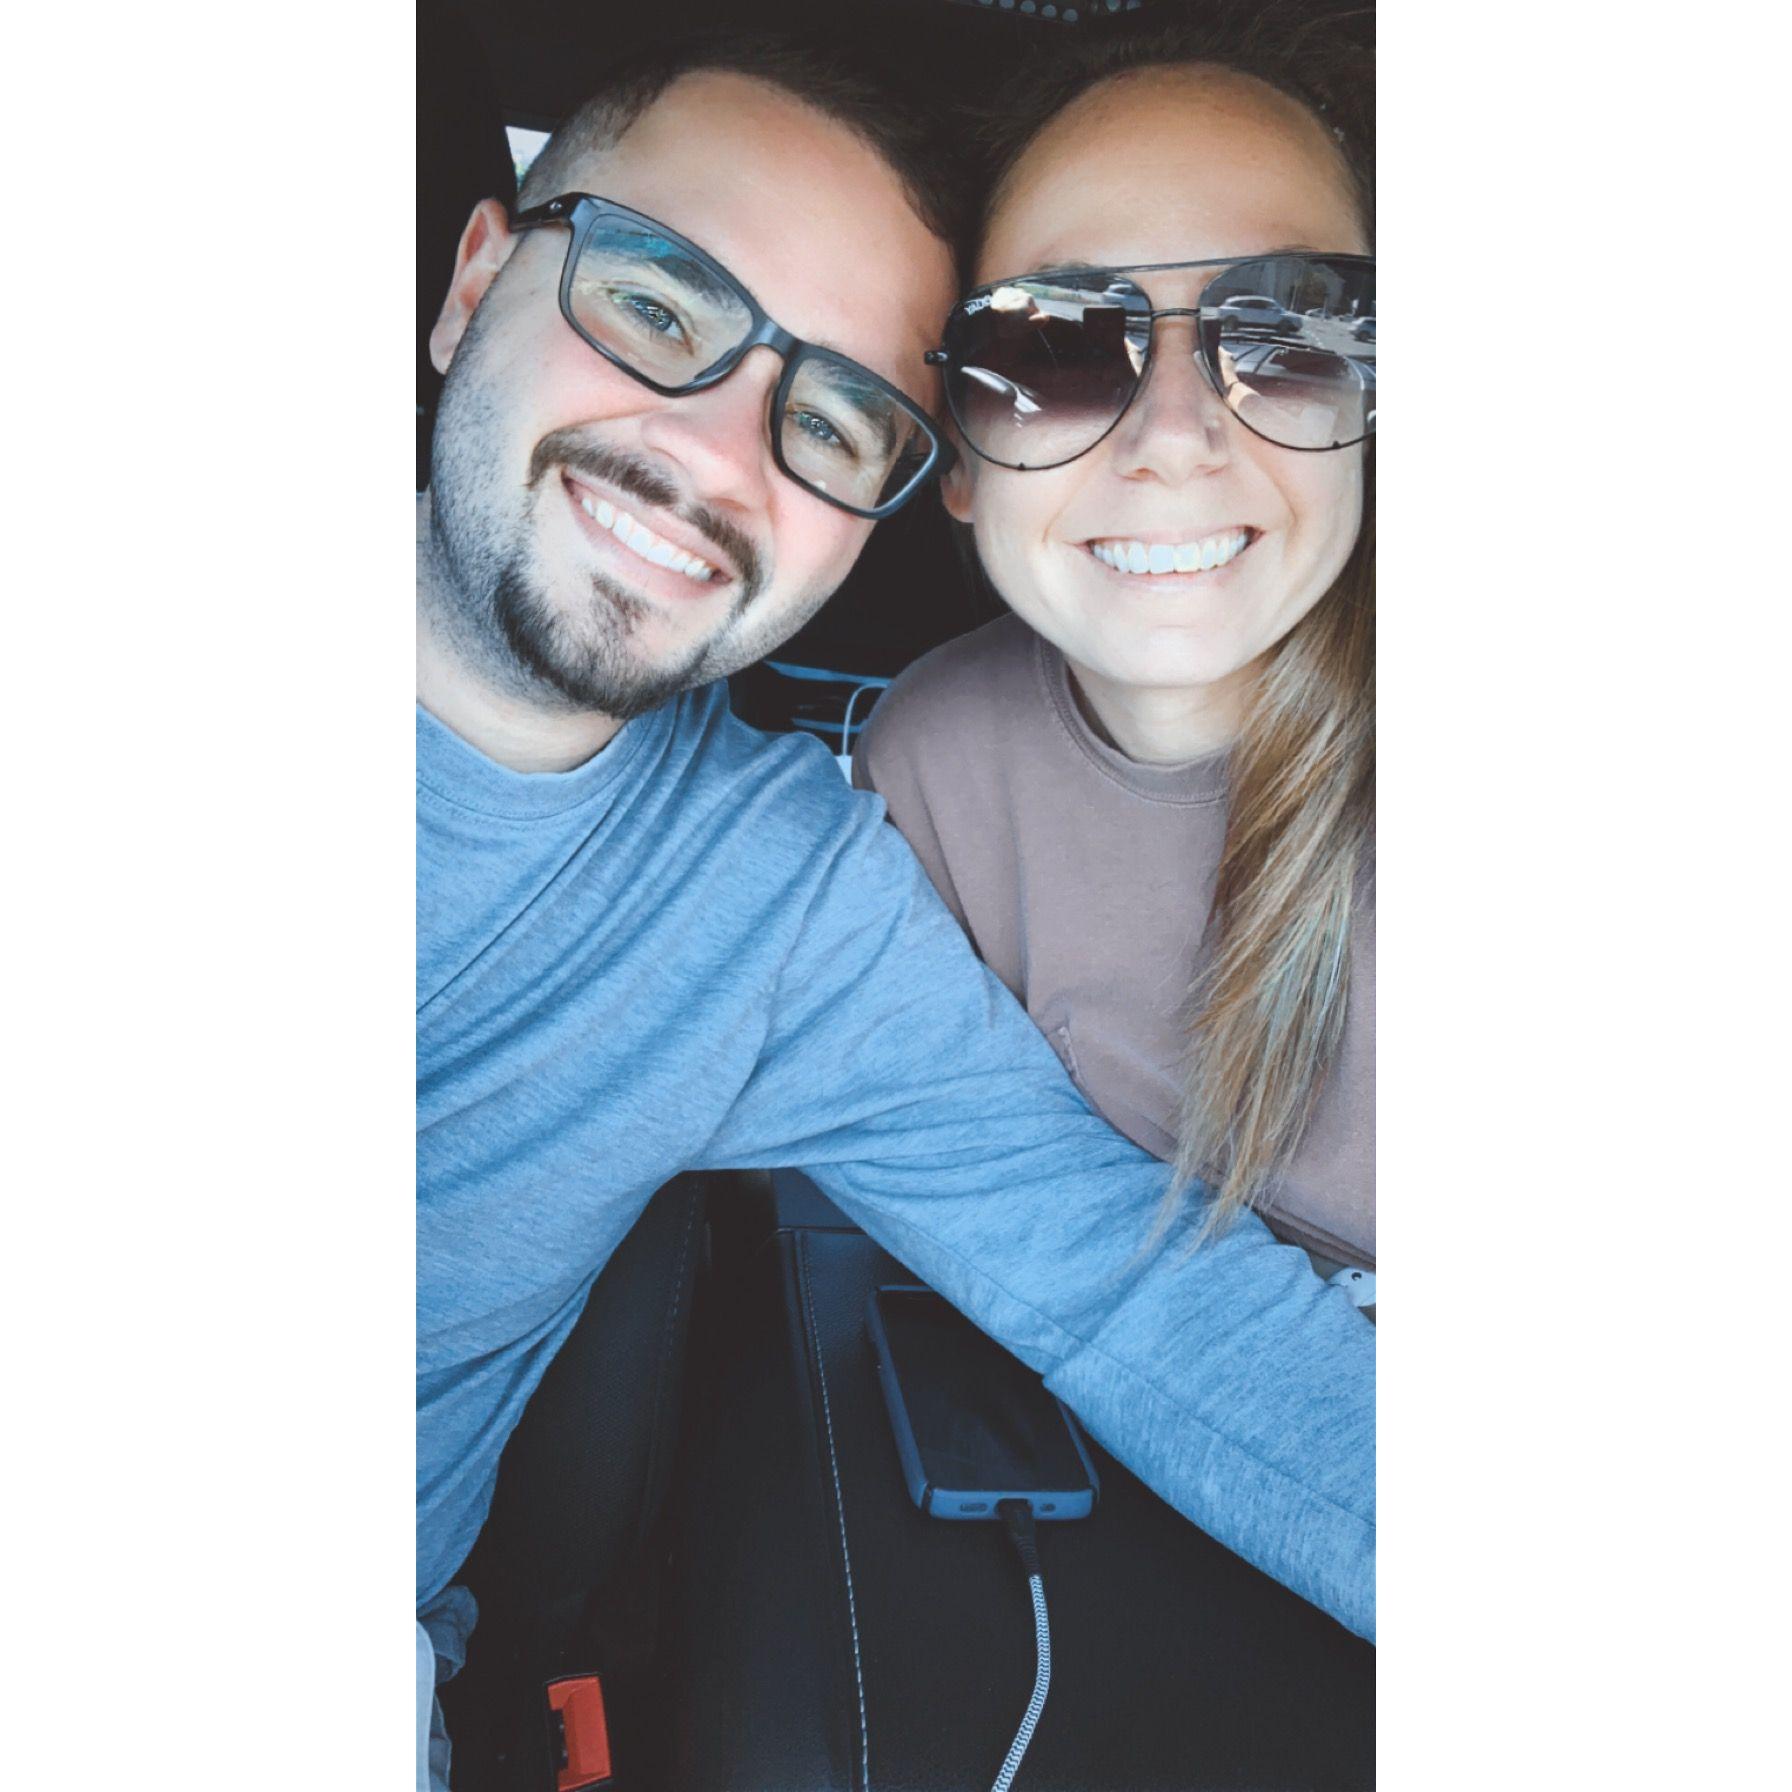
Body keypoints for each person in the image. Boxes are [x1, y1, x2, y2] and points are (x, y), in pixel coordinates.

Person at [417, 26, 1374, 1787]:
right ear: (477, 280)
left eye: (837, 414)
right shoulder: (932, 775)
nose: (719, 455)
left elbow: (1137, 1300)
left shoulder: (784, 910)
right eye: (655, 306)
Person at [856, 13, 1376, 1289]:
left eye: (1291, 332)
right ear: (960, 460)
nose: (1175, 438)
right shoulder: (933, 761)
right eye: (1052, 347)